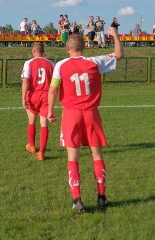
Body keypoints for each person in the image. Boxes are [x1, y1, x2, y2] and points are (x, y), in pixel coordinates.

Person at [47, 28, 123, 212]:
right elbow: (119, 55)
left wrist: (50, 110)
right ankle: (102, 197)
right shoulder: (94, 62)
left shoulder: (61, 65)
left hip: (71, 114)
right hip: (91, 113)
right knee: (96, 155)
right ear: (84, 47)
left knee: (73, 157)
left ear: (68, 48)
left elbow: (53, 89)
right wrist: (114, 35)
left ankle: (77, 201)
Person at [21, 42, 55, 161]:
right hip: (47, 95)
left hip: (33, 94)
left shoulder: (29, 63)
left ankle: (31, 145)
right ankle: (41, 152)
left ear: (33, 51)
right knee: (44, 124)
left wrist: (23, 97)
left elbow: (25, 81)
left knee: (32, 121)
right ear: (43, 51)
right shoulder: (51, 64)